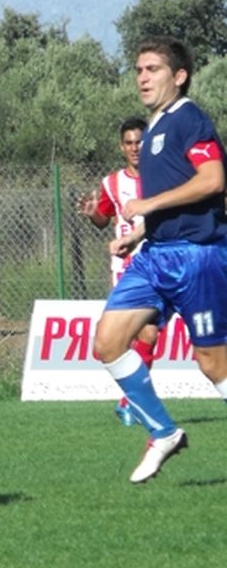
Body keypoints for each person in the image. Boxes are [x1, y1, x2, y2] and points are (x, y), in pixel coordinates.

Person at [93, 36, 227, 484]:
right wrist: (139, 233)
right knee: (107, 342)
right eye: (138, 70)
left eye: (153, 69)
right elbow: (170, 199)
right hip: (155, 256)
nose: (143, 77)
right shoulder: (154, 129)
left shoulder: (189, 118)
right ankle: (163, 432)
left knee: (212, 365)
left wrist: (147, 208)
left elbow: (212, 180)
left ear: (180, 76)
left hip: (197, 257)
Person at [78, 117, 161, 426]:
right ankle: (132, 402)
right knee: (142, 335)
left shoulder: (161, 180)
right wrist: (92, 214)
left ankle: (131, 402)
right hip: (126, 268)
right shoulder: (112, 183)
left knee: (149, 336)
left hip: (159, 264)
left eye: (139, 141)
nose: (134, 148)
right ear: (121, 147)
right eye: (129, 143)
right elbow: (104, 219)